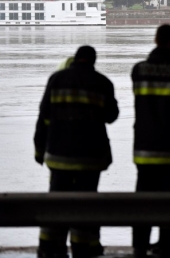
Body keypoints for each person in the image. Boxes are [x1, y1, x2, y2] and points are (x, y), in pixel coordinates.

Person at [34, 45, 119, 258]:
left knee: (55, 203)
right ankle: (84, 248)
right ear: (93, 61)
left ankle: (50, 248)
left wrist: (39, 150)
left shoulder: (56, 80)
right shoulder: (102, 83)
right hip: (90, 159)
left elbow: (44, 117)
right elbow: (111, 115)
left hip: (58, 156)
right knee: (87, 204)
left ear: (75, 59)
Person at [131, 24, 170, 258]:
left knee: (144, 200)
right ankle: (169, 243)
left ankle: (140, 245)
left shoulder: (139, 70)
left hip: (145, 148)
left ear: (156, 39)